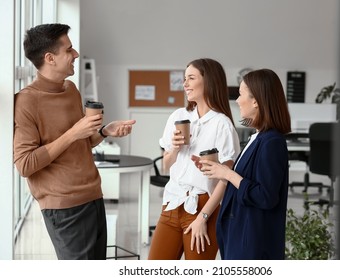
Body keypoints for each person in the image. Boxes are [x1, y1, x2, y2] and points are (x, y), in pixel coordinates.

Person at [13, 23, 136, 260]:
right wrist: (73, 133)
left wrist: (104, 131)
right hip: (64, 209)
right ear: (49, 58)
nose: (76, 55)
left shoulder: (70, 89)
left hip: (93, 196)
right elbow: (24, 164)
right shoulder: (26, 102)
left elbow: (82, 143)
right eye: (69, 50)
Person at [148, 58, 241, 260]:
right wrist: (174, 148)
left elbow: (225, 181)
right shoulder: (178, 116)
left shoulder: (222, 125)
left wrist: (203, 217)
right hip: (172, 202)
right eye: (184, 78)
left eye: (191, 78)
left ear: (208, 82)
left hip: (204, 206)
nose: (185, 84)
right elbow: (165, 166)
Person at [200, 69, 291, 260]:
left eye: (241, 94)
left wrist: (228, 173)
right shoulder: (258, 138)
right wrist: (219, 170)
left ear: (256, 100)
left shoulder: (272, 142)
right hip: (241, 236)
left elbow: (265, 196)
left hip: (252, 245)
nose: (237, 100)